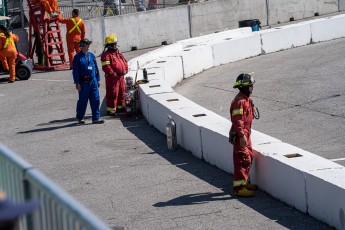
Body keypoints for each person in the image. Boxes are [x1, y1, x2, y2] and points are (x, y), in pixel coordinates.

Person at [229, 73, 258, 197]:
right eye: (250, 85)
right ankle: (239, 188)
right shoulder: (240, 102)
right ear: (245, 87)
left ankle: (244, 182)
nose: (252, 88)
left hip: (246, 134)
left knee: (248, 157)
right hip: (241, 135)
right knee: (242, 159)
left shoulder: (246, 100)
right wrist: (242, 135)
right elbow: (237, 120)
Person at [72, 38, 104, 124]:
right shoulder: (77, 58)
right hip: (83, 83)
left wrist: (97, 79)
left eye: (89, 44)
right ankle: (80, 117)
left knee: (96, 99)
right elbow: (75, 71)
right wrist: (77, 82)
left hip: (93, 81)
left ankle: (96, 118)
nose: (88, 46)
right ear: (82, 46)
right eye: (87, 44)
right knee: (83, 100)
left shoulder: (91, 55)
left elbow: (96, 68)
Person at [101, 34, 128, 116]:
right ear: (110, 45)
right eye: (114, 44)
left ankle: (120, 107)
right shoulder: (106, 55)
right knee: (113, 93)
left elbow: (124, 61)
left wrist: (126, 69)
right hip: (112, 78)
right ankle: (111, 110)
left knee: (122, 91)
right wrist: (113, 73)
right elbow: (106, 67)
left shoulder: (118, 53)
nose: (116, 45)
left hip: (120, 76)